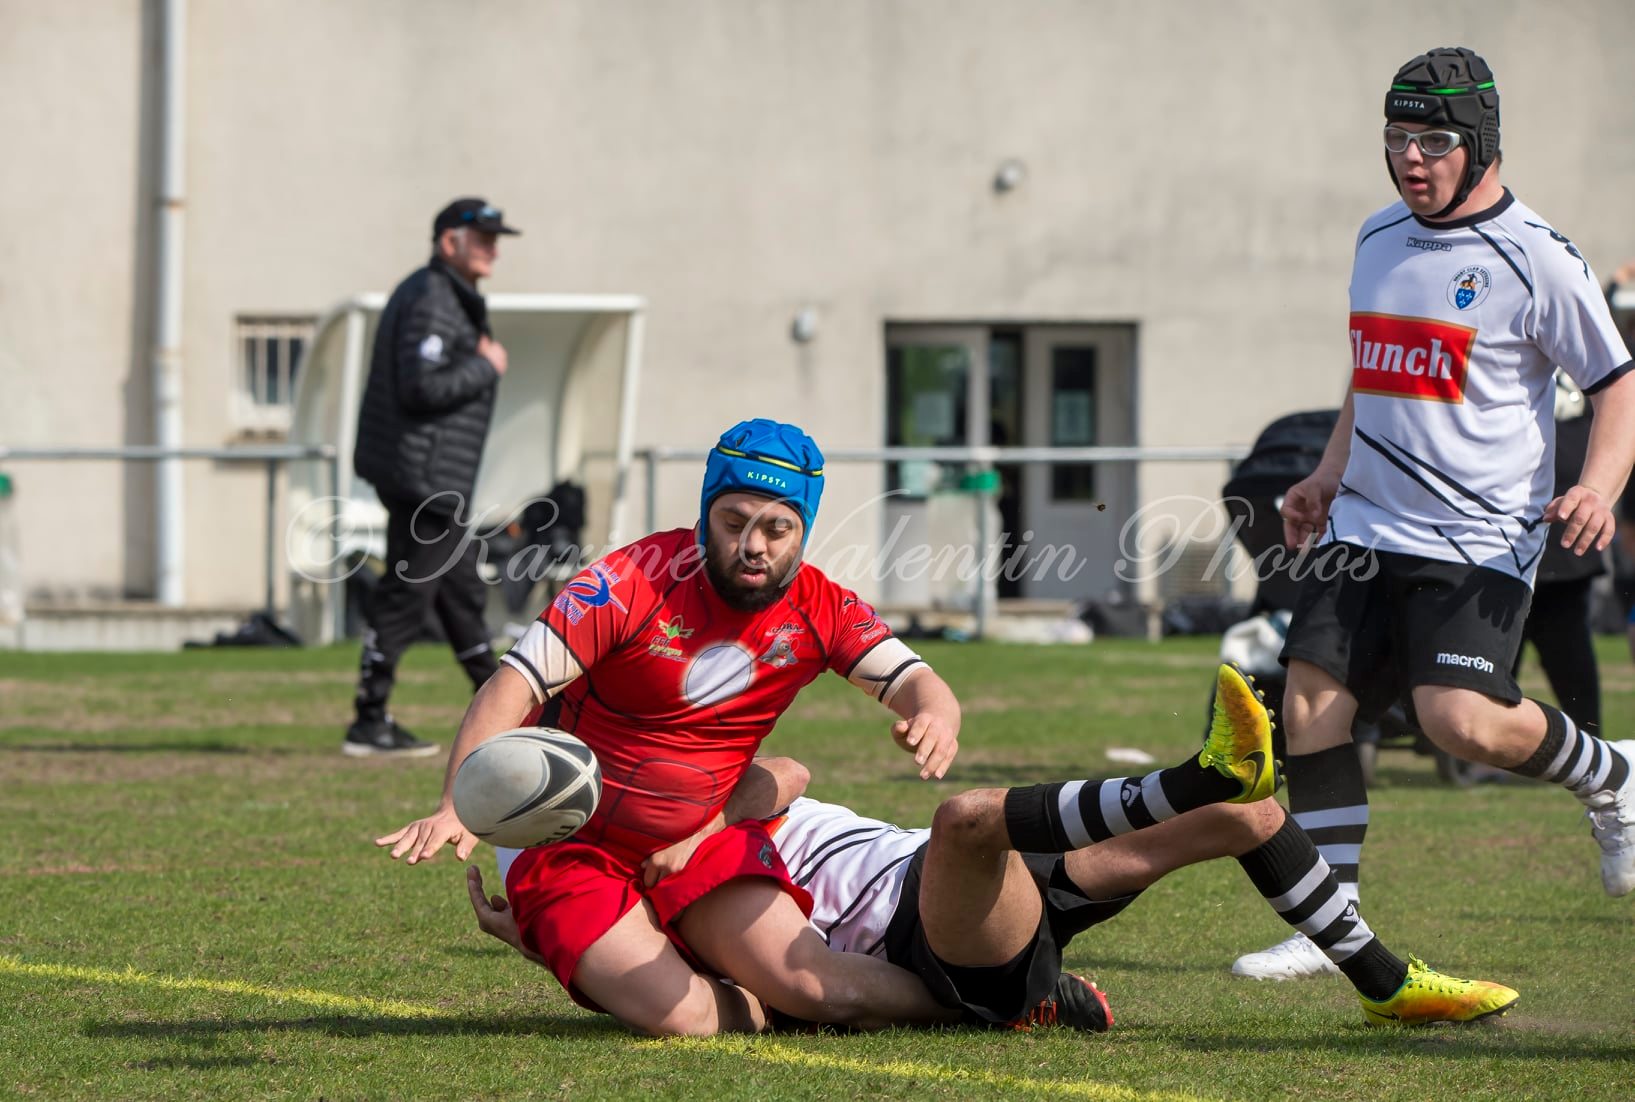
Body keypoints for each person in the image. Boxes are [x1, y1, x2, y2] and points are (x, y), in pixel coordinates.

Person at [471, 666, 1517, 1029]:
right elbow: (797, 990)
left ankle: (1383, 980)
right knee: (966, 816)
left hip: (980, 895)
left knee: (1251, 821)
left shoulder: (686, 794)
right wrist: (544, 932)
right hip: (925, 932)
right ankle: (1198, 771)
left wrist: (710, 807)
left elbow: (778, 776)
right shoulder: (631, 870)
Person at [1233, 47, 1635, 981]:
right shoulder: (1377, 237)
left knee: (1457, 721)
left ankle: (1612, 778)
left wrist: (1598, 489)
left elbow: (1617, 384)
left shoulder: (1535, 255)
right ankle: (1331, 931)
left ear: (1481, 142)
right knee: (1309, 707)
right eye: (1396, 137)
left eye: (1434, 140)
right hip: (1363, 525)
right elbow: (1370, 371)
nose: (1411, 157)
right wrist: (1326, 474)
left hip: (1480, 534)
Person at [378, 418, 967, 1035]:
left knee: (815, 986)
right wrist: (456, 803)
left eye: (777, 528)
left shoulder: (819, 607)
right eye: (734, 522)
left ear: (803, 531)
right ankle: (734, 993)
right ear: (705, 513)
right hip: (566, 841)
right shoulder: (629, 581)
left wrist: (933, 717)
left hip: (697, 838)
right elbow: (512, 685)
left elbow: (919, 683)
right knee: (684, 1018)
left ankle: (989, 1006)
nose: (753, 545)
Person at [347, 198, 519, 757]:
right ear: (449, 241)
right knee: (408, 593)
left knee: (460, 591)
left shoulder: (448, 296)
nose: (493, 247)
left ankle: (505, 707)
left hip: (428, 473)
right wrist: (485, 366)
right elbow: (421, 387)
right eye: (482, 236)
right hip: (421, 476)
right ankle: (369, 721)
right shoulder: (432, 297)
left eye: (498, 238)